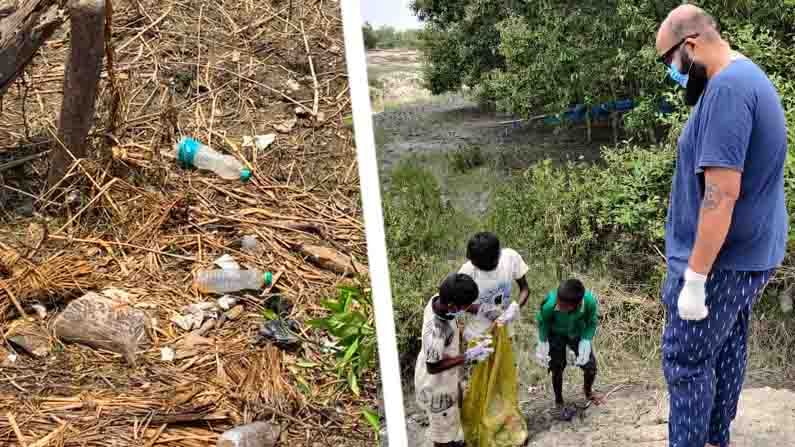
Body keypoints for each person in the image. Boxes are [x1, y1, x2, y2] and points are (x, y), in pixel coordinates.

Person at [655, 5, 788, 447]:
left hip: (720, 262)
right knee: (726, 345)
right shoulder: (744, 75)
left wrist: (695, 278)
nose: (672, 74)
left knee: (686, 360)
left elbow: (720, 196)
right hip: (748, 253)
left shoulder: (728, 91)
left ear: (689, 46)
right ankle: (715, 437)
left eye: (669, 63)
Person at [414, 273, 495, 447]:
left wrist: (483, 310)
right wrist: (467, 356)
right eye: (465, 306)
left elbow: (462, 308)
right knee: (442, 431)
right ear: (452, 306)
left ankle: (451, 441)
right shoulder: (436, 330)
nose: (467, 309)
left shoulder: (439, 300)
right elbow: (433, 367)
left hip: (447, 377)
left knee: (452, 416)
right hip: (436, 386)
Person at [534, 278, 602, 417]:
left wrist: (586, 340)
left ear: (577, 304)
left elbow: (592, 322)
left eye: (563, 306)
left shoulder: (589, 302)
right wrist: (542, 342)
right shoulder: (550, 304)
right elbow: (543, 322)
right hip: (556, 334)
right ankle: (559, 400)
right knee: (556, 367)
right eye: (558, 303)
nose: (558, 307)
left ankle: (588, 391)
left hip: (577, 333)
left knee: (590, 367)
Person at [458, 232, 529, 342]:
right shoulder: (468, 271)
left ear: (497, 257)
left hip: (504, 329)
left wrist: (514, 308)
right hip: (478, 334)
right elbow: (458, 303)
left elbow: (525, 289)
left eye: (480, 265)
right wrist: (483, 309)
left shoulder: (510, 258)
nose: (475, 265)